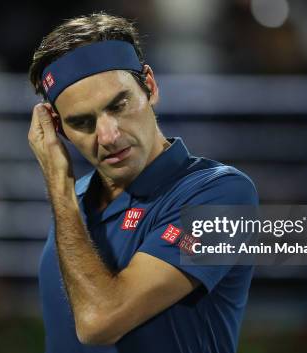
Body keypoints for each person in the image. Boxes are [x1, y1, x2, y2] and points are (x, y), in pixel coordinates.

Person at [27, 13, 258, 353]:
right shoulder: (73, 203)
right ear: (60, 131)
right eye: (82, 122)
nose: (108, 136)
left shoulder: (223, 194)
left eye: (118, 105)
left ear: (149, 86)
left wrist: (59, 186)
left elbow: (99, 321)